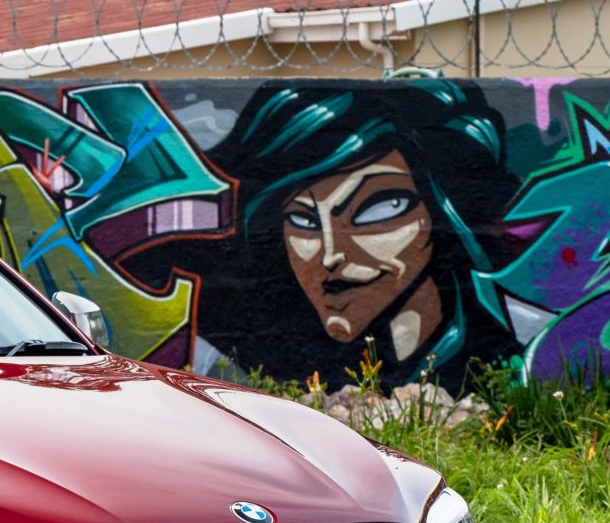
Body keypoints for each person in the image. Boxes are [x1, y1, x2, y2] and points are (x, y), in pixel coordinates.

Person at [187, 81, 521, 388]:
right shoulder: (245, 366)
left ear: (442, 212)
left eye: (378, 209)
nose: (332, 253)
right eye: (303, 220)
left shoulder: (509, 360)